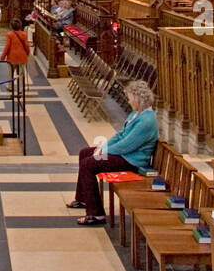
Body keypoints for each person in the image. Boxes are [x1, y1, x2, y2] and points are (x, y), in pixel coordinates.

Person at [68, 80, 159, 226]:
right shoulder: (136, 114)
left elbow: (126, 145)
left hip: (132, 161)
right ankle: (83, 198)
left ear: (138, 100)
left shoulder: (146, 121)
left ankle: (96, 214)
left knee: (88, 164)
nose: (129, 101)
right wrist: (102, 147)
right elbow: (120, 135)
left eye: (130, 99)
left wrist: (103, 151)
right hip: (123, 155)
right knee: (85, 153)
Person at [0, 26, 30, 92]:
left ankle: (10, 87)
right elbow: (26, 45)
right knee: (21, 73)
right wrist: (27, 53)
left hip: (12, 57)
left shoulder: (9, 34)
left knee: (11, 73)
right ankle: (21, 89)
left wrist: (2, 56)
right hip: (22, 57)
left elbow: (7, 46)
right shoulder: (24, 34)